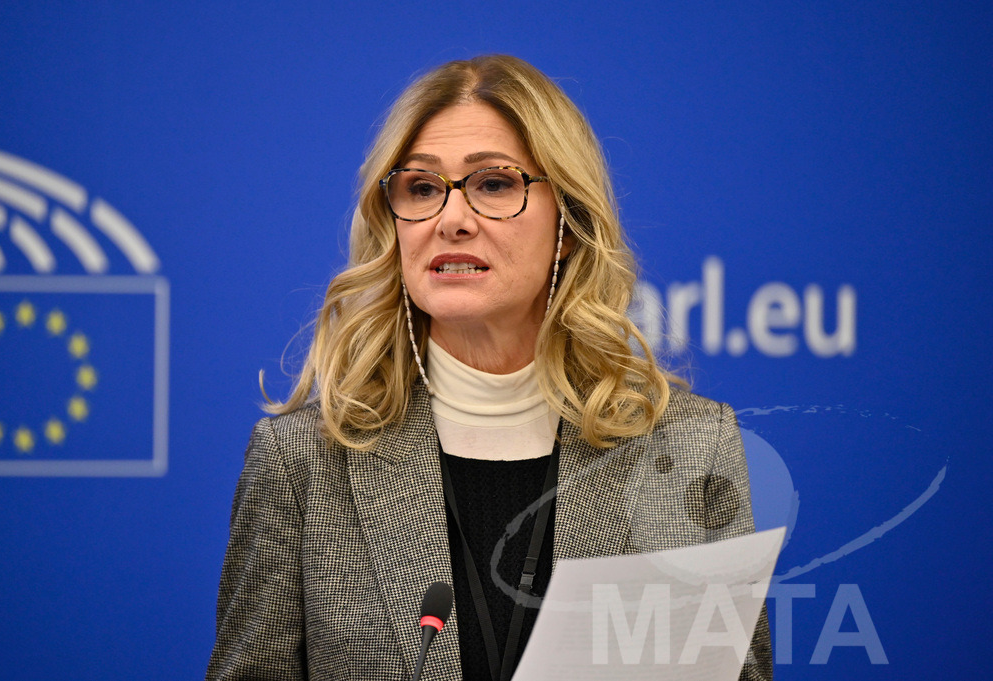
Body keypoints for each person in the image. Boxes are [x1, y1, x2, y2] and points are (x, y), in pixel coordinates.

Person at [206, 54, 772, 681]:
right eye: (421, 188)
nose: (451, 219)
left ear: (568, 221)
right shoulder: (302, 461)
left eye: (494, 184)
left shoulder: (692, 447)